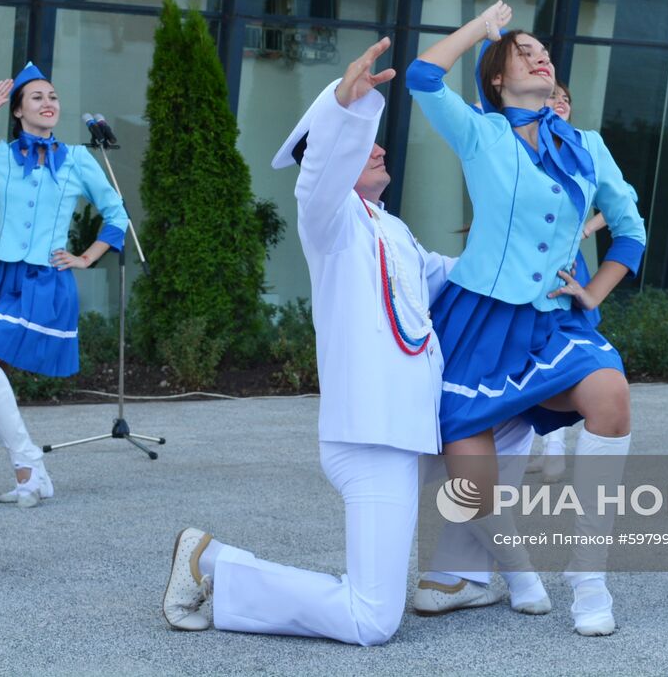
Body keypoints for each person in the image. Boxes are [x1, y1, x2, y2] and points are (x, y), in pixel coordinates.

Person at [162, 39, 534, 643]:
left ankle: (459, 574)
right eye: (364, 144)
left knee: (514, 422)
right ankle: (210, 563)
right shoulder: (326, 221)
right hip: (373, 438)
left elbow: (463, 278)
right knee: (373, 619)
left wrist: (538, 258)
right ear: (333, 157)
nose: (380, 147)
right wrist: (347, 102)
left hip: (418, 426)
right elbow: (321, 179)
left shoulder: (393, 229)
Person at [404, 1, 647, 636]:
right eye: (524, 51)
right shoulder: (479, 133)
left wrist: (596, 290)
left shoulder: (587, 147)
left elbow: (630, 229)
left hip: (552, 323)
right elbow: (423, 77)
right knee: (473, 481)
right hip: (476, 321)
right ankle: (517, 572)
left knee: (612, 395)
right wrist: (482, 30)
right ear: (496, 78)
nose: (541, 56)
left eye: (544, 51)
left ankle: (589, 577)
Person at [0, 64, 130, 507]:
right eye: (36, 97)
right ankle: (31, 473)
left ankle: (30, 467)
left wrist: (86, 257)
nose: (48, 103)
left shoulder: (78, 160)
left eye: (52, 97)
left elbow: (117, 214)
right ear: (16, 111)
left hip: (43, 281)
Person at [527, 80, 604, 482]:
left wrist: (585, 231)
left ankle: (555, 449)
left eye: (566, 99)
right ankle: (549, 448)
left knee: (559, 350)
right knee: (536, 351)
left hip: (563, 266)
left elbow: (622, 207)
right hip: (528, 264)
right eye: (553, 97)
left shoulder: (581, 149)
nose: (560, 103)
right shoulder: (524, 141)